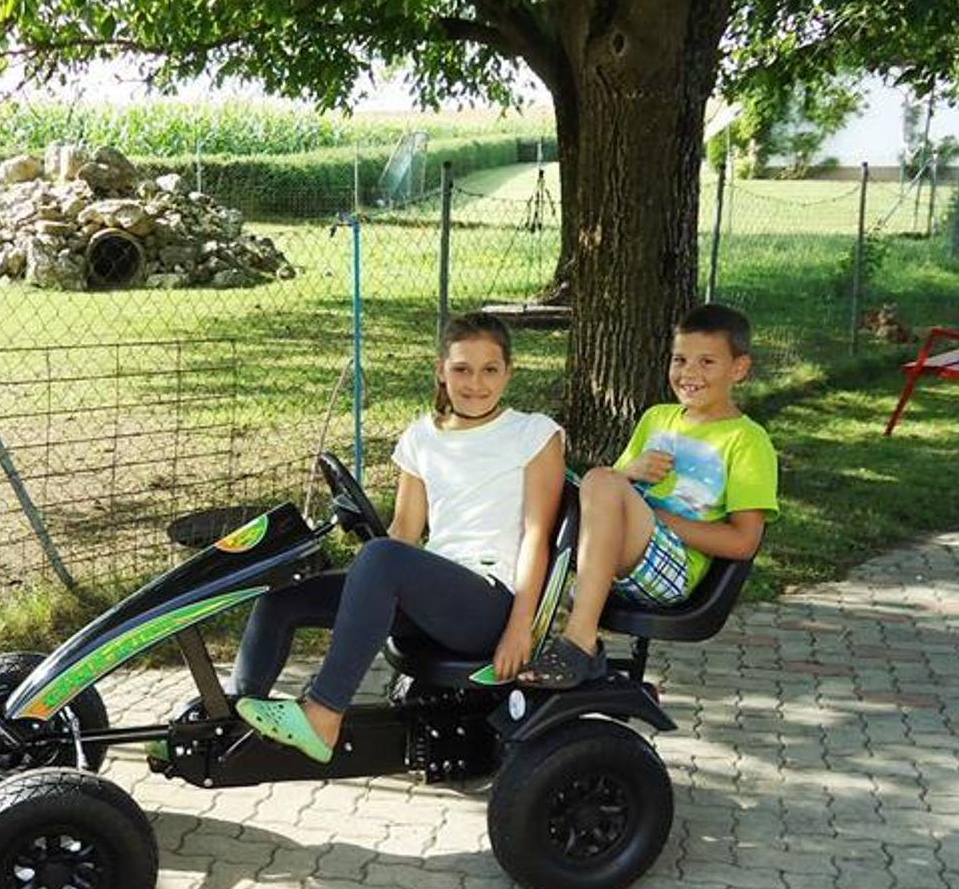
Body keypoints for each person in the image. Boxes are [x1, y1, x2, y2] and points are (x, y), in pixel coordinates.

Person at [232, 311, 565, 762]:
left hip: (490, 604)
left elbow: (537, 536)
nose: (476, 383)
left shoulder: (534, 433)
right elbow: (405, 533)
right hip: (434, 597)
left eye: (490, 370)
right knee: (284, 595)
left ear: (509, 372)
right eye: (461, 369)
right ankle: (226, 722)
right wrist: (367, 576)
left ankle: (323, 714)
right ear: (440, 370)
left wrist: (520, 628)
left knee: (382, 558)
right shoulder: (422, 436)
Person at [518, 301, 778, 688]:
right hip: (618, 555)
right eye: (680, 360)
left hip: (674, 571)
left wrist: (662, 519)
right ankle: (512, 623)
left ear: (739, 369)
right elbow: (607, 496)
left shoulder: (747, 440)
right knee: (558, 477)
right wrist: (630, 472)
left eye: (707, 362)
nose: (689, 373)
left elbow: (743, 542)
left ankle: (580, 642)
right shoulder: (656, 418)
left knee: (599, 479)